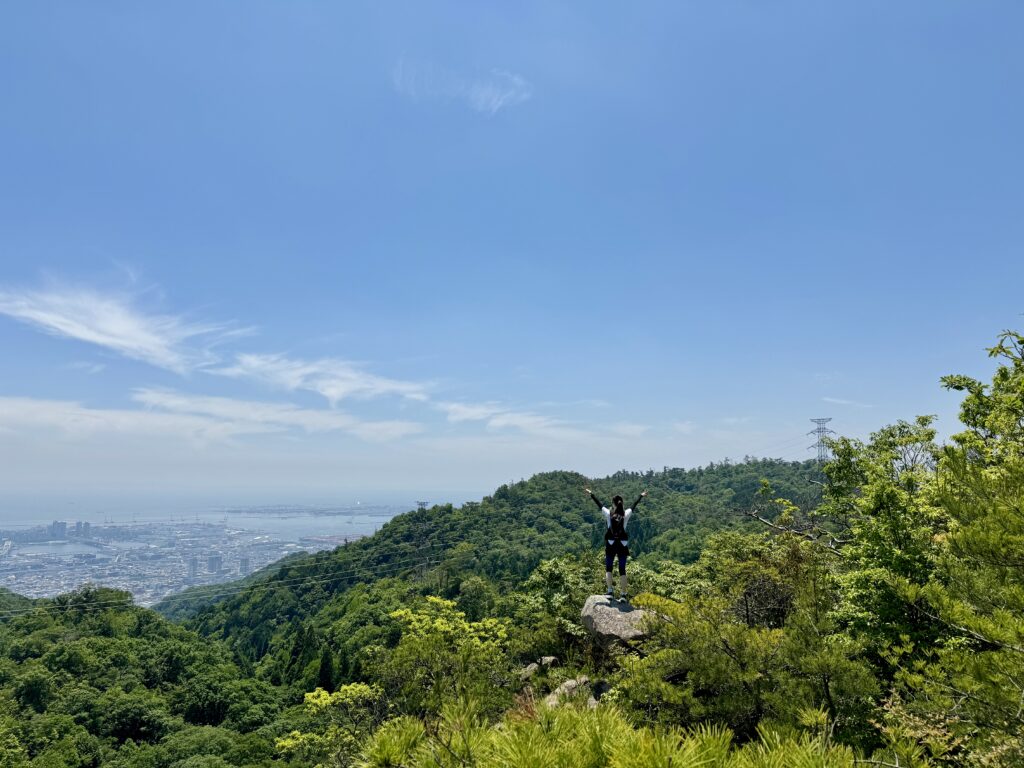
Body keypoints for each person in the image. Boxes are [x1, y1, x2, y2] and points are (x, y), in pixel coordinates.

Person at [585, 487, 647, 602]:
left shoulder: (609, 513)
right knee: (622, 570)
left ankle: (610, 592)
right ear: (622, 503)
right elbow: (634, 505)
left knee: (609, 568)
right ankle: (623, 595)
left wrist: (591, 494)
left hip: (611, 543)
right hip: (622, 544)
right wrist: (641, 496)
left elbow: (599, 504)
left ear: (613, 504)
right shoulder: (626, 513)